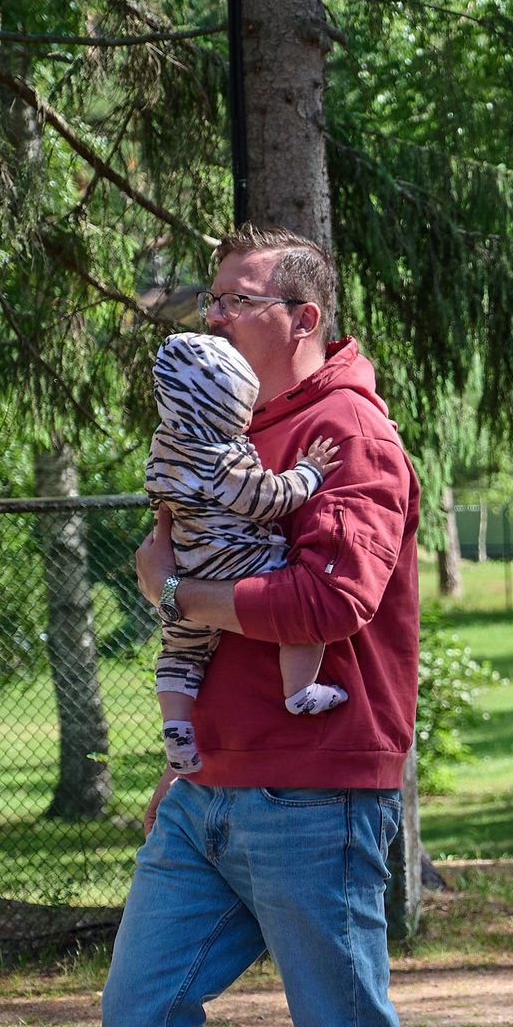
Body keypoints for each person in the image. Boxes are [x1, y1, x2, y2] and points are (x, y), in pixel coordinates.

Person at [54, 224, 427, 1027]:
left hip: (316, 794)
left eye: (235, 298)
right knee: (140, 1016)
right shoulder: (220, 426)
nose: (212, 315)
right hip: (205, 789)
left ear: (301, 314)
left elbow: (338, 597)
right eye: (210, 299)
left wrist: (198, 598)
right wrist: (165, 583)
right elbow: (173, 552)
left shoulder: (348, 432)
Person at [140, 330, 347, 777]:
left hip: (187, 560)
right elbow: (265, 499)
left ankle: (176, 727)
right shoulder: (219, 457)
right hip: (239, 560)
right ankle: (300, 691)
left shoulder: (164, 443)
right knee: (299, 616)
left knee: (180, 650)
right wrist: (308, 472)